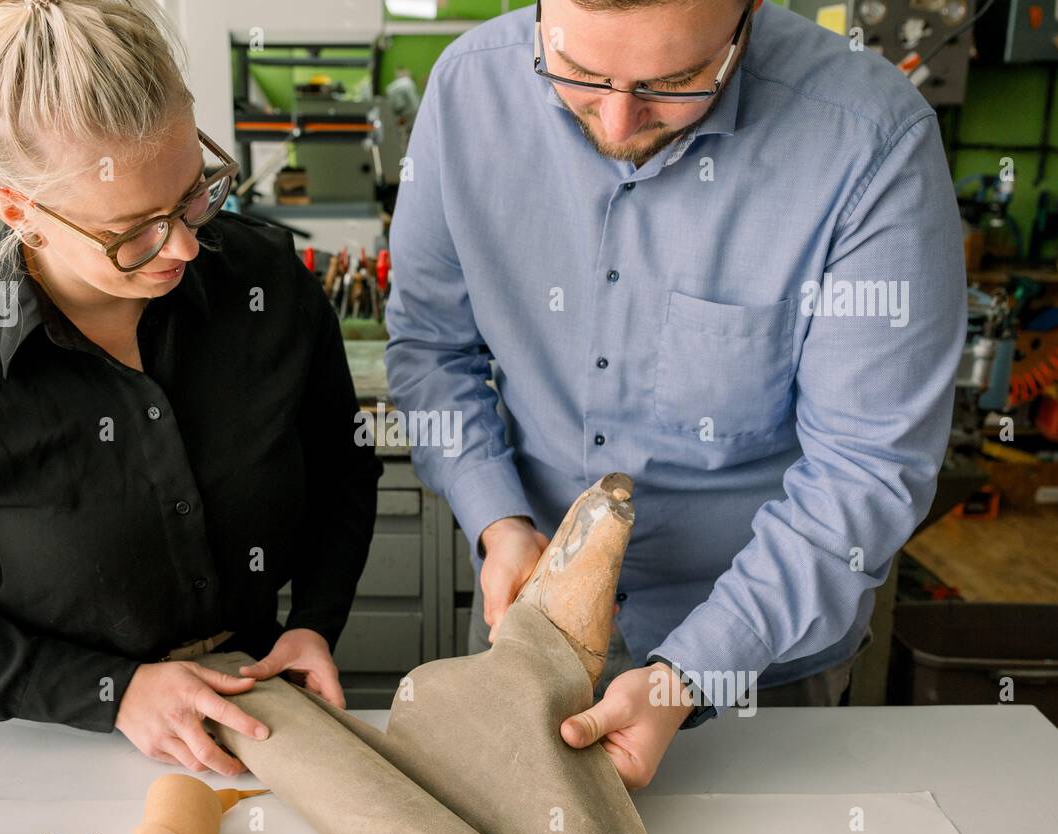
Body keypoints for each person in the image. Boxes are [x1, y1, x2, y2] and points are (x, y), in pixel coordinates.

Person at [385, 0, 965, 788]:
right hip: (531, 623)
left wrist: (688, 674)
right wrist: (498, 522)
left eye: (677, 80)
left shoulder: (871, 142)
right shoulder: (464, 94)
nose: (620, 122)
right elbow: (432, 348)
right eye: (580, 75)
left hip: (763, 664)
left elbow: (865, 470)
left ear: (748, 14)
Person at [0, 0, 382, 775]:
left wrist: (316, 622)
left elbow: (342, 471)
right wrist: (114, 692)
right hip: (49, 751)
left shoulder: (265, 287)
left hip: (261, 718)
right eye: (133, 232)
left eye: (196, 192)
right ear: (16, 211)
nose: (187, 246)